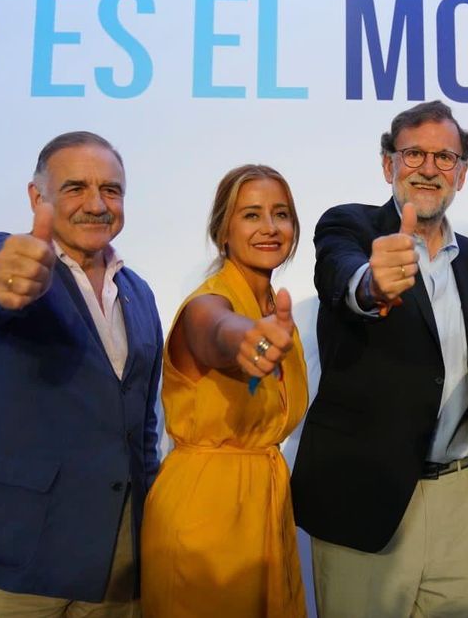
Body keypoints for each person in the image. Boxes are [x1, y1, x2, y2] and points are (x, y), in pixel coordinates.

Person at [290, 100, 468, 617]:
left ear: (462, 172)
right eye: (414, 153)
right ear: (388, 164)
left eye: (444, 157)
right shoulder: (350, 226)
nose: (429, 168)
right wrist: (371, 284)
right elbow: (342, 274)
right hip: (365, 497)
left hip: (462, 500)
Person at [0, 131, 163, 617]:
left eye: (111, 190)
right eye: (76, 187)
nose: (96, 204)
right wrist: (6, 274)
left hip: (114, 567)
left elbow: (139, 430)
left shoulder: (139, 293)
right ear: (39, 197)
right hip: (6, 561)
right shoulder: (6, 259)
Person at [140, 165, 309, 617]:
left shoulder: (275, 310)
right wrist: (246, 341)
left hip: (265, 510)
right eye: (251, 215)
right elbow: (217, 331)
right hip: (204, 517)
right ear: (223, 231)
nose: (270, 228)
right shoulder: (206, 303)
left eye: (281, 214)